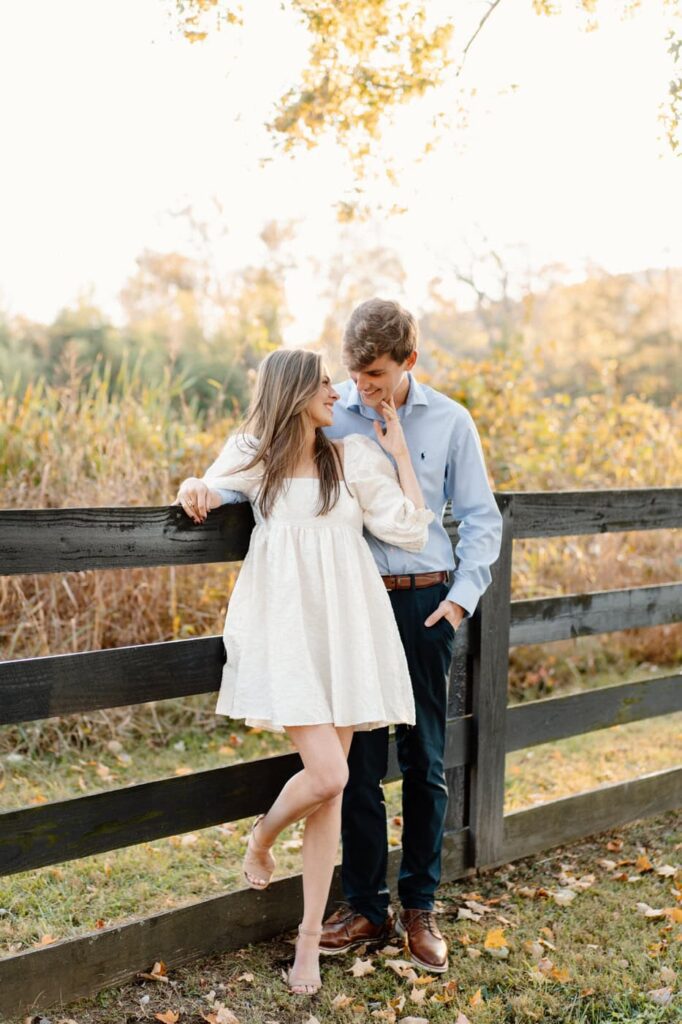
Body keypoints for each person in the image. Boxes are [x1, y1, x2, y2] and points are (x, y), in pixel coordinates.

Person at [172, 347, 434, 996]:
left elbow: (408, 529)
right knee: (330, 773)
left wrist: (399, 450)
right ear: (291, 393)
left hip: (345, 637)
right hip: (289, 639)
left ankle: (309, 942)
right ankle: (261, 839)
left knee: (331, 793)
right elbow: (211, 483)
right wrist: (192, 487)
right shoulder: (254, 457)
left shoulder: (350, 458)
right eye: (323, 385)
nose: (337, 394)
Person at [316, 298, 503, 974]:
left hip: (425, 607)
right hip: (357, 610)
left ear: (408, 363)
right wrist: (208, 488)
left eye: (374, 374)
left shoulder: (451, 421)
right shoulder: (327, 407)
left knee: (424, 759)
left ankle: (419, 906)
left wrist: (457, 605)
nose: (360, 388)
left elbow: (482, 520)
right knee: (357, 763)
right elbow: (261, 459)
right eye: (353, 374)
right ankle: (365, 906)